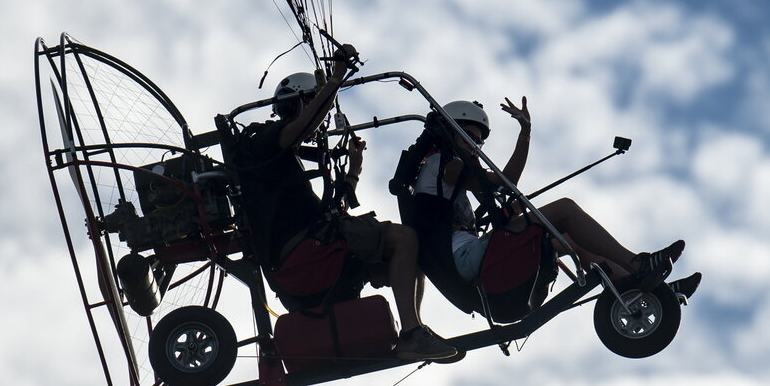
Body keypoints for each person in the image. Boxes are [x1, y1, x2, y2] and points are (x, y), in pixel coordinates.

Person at [235, 45, 457, 362]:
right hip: (304, 258)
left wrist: (352, 172)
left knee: (411, 254)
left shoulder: (284, 165)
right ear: (299, 102)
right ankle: (412, 333)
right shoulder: (264, 141)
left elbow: (330, 211)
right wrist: (336, 77)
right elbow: (304, 126)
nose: (322, 117)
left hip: (313, 253)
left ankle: (414, 330)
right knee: (404, 238)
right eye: (315, 103)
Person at [413, 97, 686, 289]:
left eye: (480, 140)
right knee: (564, 210)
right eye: (469, 136)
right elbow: (505, 181)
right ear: (449, 132)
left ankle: (640, 287)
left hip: (467, 255)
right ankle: (638, 266)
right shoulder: (444, 165)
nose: (476, 145)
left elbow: (502, 188)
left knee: (566, 238)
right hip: (462, 259)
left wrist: (512, 209)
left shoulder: (449, 174)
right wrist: (525, 134)